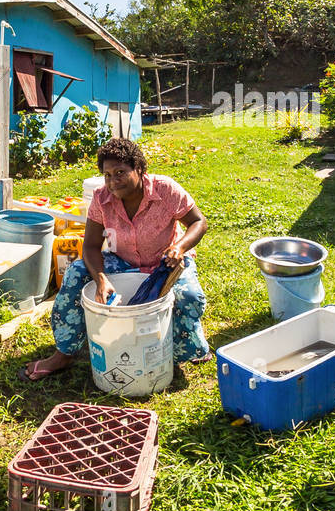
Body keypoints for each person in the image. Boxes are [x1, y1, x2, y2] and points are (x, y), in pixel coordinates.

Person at [29, 136, 210, 381]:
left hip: (167, 260)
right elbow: (91, 246)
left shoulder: (165, 189)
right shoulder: (102, 199)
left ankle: (180, 351)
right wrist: (101, 279)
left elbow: (198, 222)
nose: (113, 182)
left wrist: (179, 247)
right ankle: (65, 353)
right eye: (107, 175)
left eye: (120, 173)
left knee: (189, 297)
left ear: (140, 169)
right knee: (75, 273)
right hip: (122, 259)